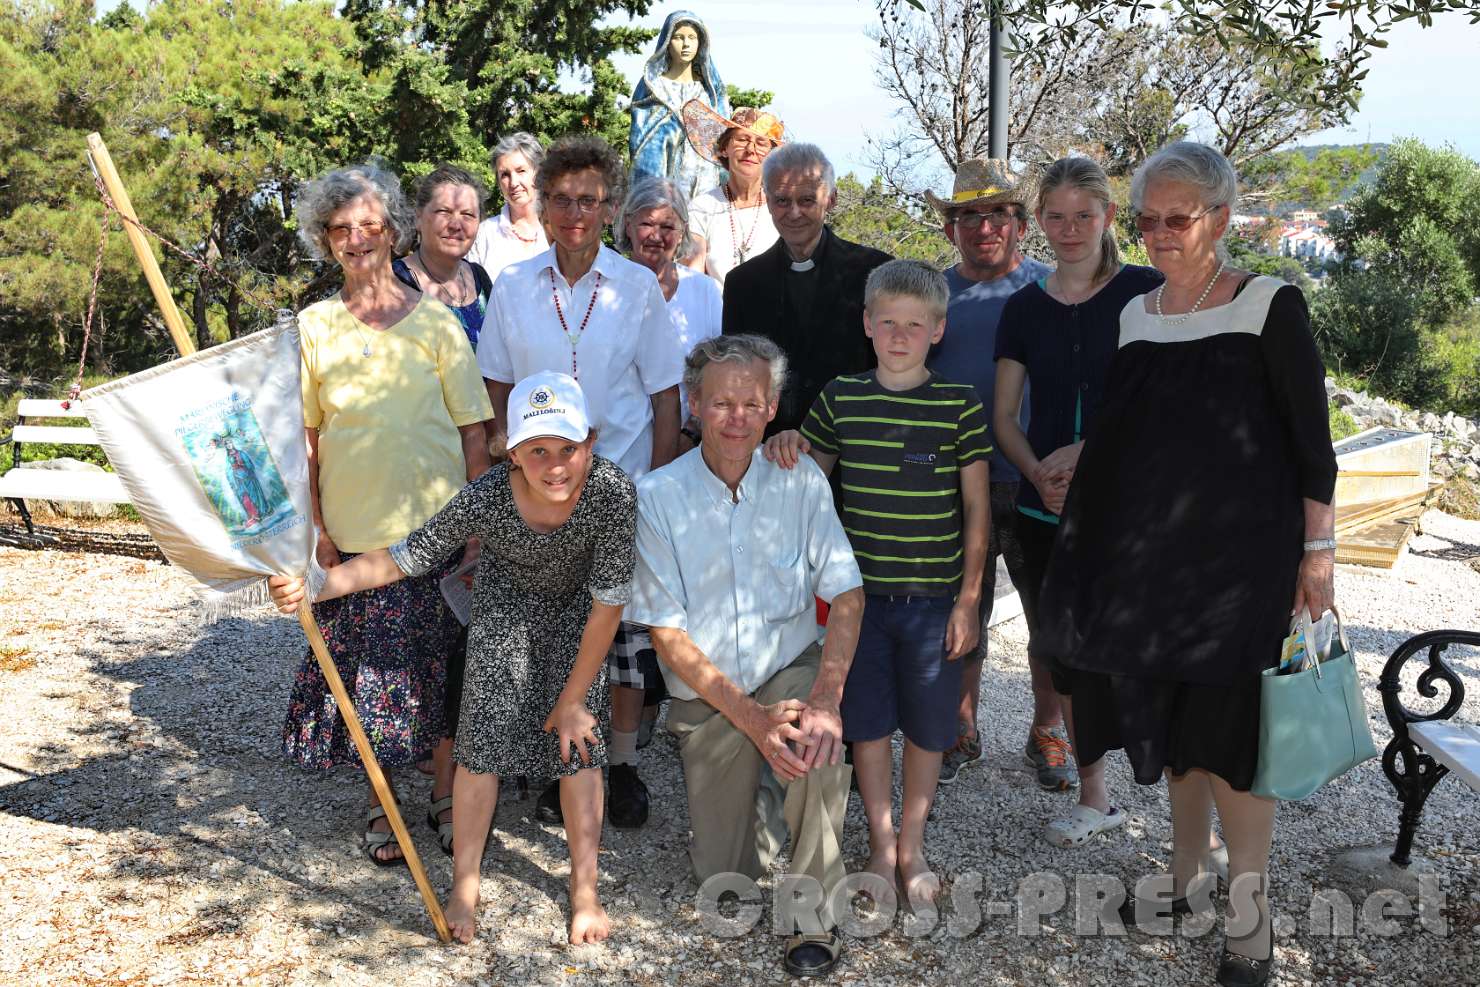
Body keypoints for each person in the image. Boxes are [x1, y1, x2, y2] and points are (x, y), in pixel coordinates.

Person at [1037, 141, 1337, 987]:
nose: (1161, 233)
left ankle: (1250, 924)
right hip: (1153, 565)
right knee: (1174, 731)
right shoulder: (1138, 315)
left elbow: (1314, 448)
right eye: (1147, 220)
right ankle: (1184, 881)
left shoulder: (1269, 305)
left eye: (1178, 217)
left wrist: (1318, 555)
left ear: (1221, 217)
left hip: (1243, 570)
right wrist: (1079, 457)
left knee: (1232, 739)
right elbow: (1134, 431)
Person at [270, 372, 633, 947]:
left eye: (568, 448)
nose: (555, 465)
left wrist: (572, 701)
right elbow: (404, 557)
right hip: (503, 612)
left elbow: (609, 605)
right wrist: (317, 586)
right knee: (479, 749)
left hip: (579, 615)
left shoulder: (612, 493)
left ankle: (584, 890)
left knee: (579, 751)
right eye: (537, 450)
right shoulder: (487, 495)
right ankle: (466, 884)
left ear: (590, 442)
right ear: (511, 452)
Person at [628, 333, 865, 979]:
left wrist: (825, 699)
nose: (737, 418)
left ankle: (812, 914)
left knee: (815, 741)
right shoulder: (657, 496)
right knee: (724, 879)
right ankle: (766, 803)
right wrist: (755, 722)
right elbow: (669, 637)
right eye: (721, 402)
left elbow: (846, 594)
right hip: (711, 697)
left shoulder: (801, 477)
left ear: (773, 407)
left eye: (752, 403)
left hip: (788, 669)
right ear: (693, 403)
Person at [284, 162, 493, 865]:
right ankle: (383, 803)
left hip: (438, 536)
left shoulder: (437, 323)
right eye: (341, 228)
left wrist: (477, 529)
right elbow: (307, 441)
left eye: (369, 225)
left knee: (443, 678)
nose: (357, 238)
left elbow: (473, 434)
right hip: (355, 540)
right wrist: (316, 529)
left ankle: (444, 795)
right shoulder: (313, 326)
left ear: (393, 230)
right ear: (325, 240)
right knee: (372, 685)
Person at [764, 260, 990, 909]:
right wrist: (787, 440)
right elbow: (808, 475)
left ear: (937, 330)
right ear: (867, 324)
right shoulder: (842, 396)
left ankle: (913, 845)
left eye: (914, 325)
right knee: (865, 724)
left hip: (934, 601)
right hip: (857, 603)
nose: (899, 336)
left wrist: (969, 601)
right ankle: (881, 843)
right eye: (887, 322)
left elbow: (977, 508)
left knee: (927, 728)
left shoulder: (959, 404)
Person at [478, 136, 683, 829]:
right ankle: (558, 763)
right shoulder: (513, 286)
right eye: (562, 199)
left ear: (610, 207)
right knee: (553, 632)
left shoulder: (637, 288)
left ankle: (619, 764)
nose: (574, 213)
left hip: (618, 484)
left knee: (620, 638)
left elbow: (665, 396)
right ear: (542, 204)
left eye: (588, 200)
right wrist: (506, 475)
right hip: (538, 489)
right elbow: (495, 386)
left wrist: (654, 491)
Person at [992, 157, 1163, 848]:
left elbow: (1164, 400)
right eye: (1056, 217)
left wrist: (1089, 451)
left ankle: (1187, 803)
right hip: (1044, 508)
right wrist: (1036, 473)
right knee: (1062, 650)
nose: (1069, 229)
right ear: (1038, 221)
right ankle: (1095, 795)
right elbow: (1004, 415)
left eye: (1083, 216)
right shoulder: (1023, 307)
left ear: (1109, 217)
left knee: (1142, 649)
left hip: (1129, 507)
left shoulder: (1146, 292)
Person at [920, 158, 1057, 789]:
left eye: (998, 213)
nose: (984, 227)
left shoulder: (1053, 290)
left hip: (1036, 478)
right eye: (969, 215)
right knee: (959, 613)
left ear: (1021, 224)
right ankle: (961, 726)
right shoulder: (932, 297)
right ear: (951, 228)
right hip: (954, 481)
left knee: (1046, 615)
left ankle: (1048, 730)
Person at [391, 161, 500, 837]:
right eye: (444, 210)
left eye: (469, 212)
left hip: (473, 472)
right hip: (404, 482)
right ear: (418, 217)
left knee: (459, 642)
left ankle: (445, 785)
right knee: (397, 640)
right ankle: (382, 795)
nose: (457, 222)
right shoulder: (391, 283)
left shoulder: (483, 284)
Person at [722, 142, 892, 434]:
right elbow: (737, 374)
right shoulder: (742, 282)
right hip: (772, 444)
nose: (794, 212)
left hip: (854, 440)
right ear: (767, 200)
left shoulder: (875, 271)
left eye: (807, 200)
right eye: (782, 200)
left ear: (831, 199)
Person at [619, 176, 722, 417]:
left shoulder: (705, 290)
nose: (656, 236)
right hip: (619, 435)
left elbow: (719, 370)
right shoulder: (606, 287)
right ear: (628, 225)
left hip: (687, 432)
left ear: (682, 231)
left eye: (667, 227)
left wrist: (694, 430)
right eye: (647, 224)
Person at [679, 101, 785, 284]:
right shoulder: (703, 207)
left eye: (761, 143)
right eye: (742, 140)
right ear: (724, 148)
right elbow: (691, 278)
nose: (750, 150)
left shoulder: (783, 209)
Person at [628, 11, 727, 200]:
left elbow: (722, 139)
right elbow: (640, 139)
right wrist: (672, 127)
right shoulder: (653, 86)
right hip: (660, 184)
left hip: (704, 184)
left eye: (692, 38)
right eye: (679, 37)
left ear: (701, 43)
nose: (686, 44)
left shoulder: (710, 90)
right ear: (667, 41)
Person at [467, 133, 549, 279]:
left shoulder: (560, 229)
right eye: (505, 175)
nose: (513, 183)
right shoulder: (484, 235)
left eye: (521, 171)